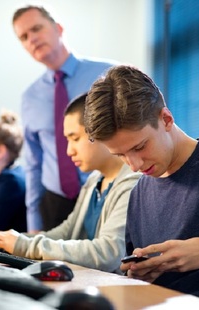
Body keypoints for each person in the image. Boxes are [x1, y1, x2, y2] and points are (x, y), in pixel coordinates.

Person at [83, 64, 199, 309]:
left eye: (140, 147)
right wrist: (141, 273)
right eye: (121, 155)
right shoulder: (140, 191)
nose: (134, 164)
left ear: (166, 119)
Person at [0, 93, 141, 273]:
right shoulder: (94, 181)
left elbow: (109, 253)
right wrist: (13, 240)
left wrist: (26, 245)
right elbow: (66, 233)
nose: (69, 151)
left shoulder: (133, 182)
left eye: (75, 138)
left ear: (99, 130)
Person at [12, 4, 118, 232]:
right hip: (55, 203)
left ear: (59, 28)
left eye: (36, 28)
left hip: (106, 194)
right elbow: (33, 163)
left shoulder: (108, 74)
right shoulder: (30, 97)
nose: (32, 39)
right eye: (23, 36)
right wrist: (34, 223)